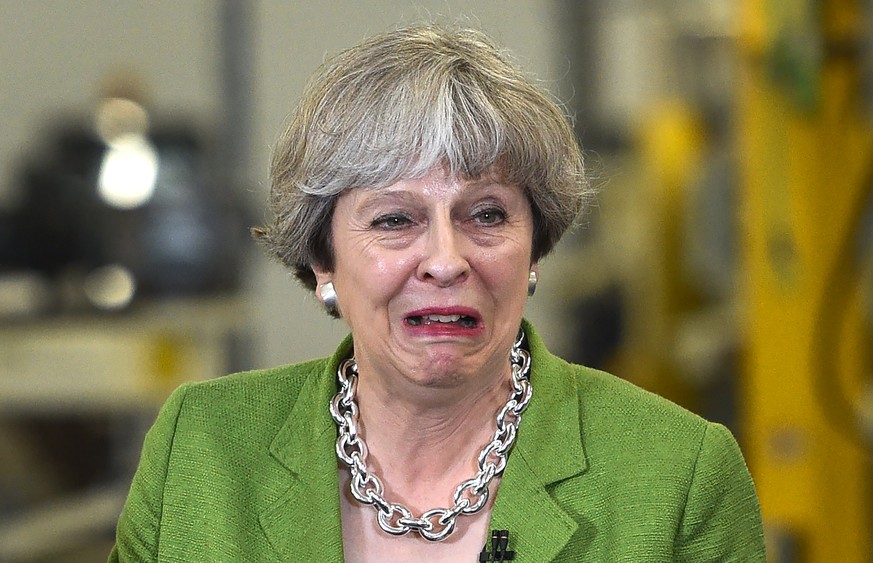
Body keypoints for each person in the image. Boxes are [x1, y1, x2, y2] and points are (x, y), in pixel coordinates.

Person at [109, 24, 765, 562]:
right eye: (395, 219)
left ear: (533, 248)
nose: (446, 261)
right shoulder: (200, 447)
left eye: (485, 215)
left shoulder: (679, 473)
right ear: (322, 258)